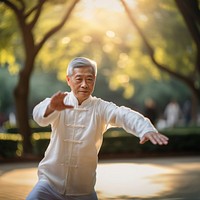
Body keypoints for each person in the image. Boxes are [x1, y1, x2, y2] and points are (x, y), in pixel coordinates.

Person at [27, 57, 169, 200]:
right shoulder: (58, 103)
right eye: (79, 79)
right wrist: (51, 107)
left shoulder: (100, 107)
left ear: (94, 80)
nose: (84, 84)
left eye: (89, 79)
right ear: (68, 80)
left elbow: (123, 114)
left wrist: (145, 129)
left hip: (83, 191)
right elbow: (38, 116)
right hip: (49, 185)